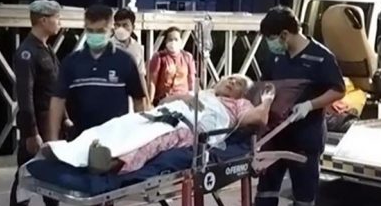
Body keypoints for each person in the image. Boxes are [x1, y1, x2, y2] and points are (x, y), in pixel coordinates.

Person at [233, 6, 345, 206]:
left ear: (284, 34)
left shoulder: (321, 57)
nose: (271, 44)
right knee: (266, 189)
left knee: (303, 194)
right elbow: (264, 86)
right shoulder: (276, 57)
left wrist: (310, 105)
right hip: (275, 133)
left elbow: (338, 90)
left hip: (306, 136)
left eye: (272, 38)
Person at [48, 4, 146, 206]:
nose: (95, 35)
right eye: (90, 31)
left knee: (95, 198)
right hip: (81, 140)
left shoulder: (124, 61)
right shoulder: (72, 62)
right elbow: (57, 101)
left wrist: (141, 138)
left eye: (100, 30)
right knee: (97, 197)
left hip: (112, 145)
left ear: (111, 28)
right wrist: (52, 139)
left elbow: (140, 99)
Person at [44, 74, 275, 174]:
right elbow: (163, 102)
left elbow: (259, 118)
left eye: (238, 84)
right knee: (123, 123)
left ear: (241, 94)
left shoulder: (237, 105)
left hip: (186, 126)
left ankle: (111, 163)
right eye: (230, 78)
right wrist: (183, 97)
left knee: (154, 140)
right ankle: (72, 149)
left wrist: (267, 100)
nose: (232, 82)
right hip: (165, 113)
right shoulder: (202, 93)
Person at [9, 0, 76, 206]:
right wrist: (30, 132)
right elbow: (25, 96)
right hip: (38, 124)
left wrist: (65, 118)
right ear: (43, 20)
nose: (59, 22)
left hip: (52, 124)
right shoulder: (27, 53)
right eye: (56, 17)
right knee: (25, 176)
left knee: (51, 171)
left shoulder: (45, 49)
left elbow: (55, 89)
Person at [148, 26, 196, 105]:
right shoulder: (159, 57)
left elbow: (192, 80)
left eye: (176, 39)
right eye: (170, 39)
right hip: (165, 99)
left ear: (180, 41)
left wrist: (192, 98)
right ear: (166, 41)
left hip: (183, 99)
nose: (173, 42)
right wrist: (150, 102)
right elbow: (152, 82)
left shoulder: (187, 57)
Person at [112, 7, 146, 78]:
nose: (121, 28)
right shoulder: (107, 47)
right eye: (118, 25)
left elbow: (141, 75)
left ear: (133, 27)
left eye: (125, 25)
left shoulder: (137, 48)